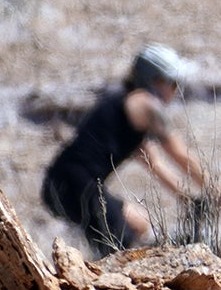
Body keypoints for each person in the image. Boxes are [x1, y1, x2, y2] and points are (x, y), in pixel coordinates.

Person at [40, 44, 209, 254]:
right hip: (76, 186)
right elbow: (179, 155)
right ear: (157, 81)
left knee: (139, 225)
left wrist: (190, 200)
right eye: (174, 84)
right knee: (119, 247)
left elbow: (155, 165)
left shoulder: (128, 108)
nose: (176, 91)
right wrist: (214, 192)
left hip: (62, 185)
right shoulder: (146, 105)